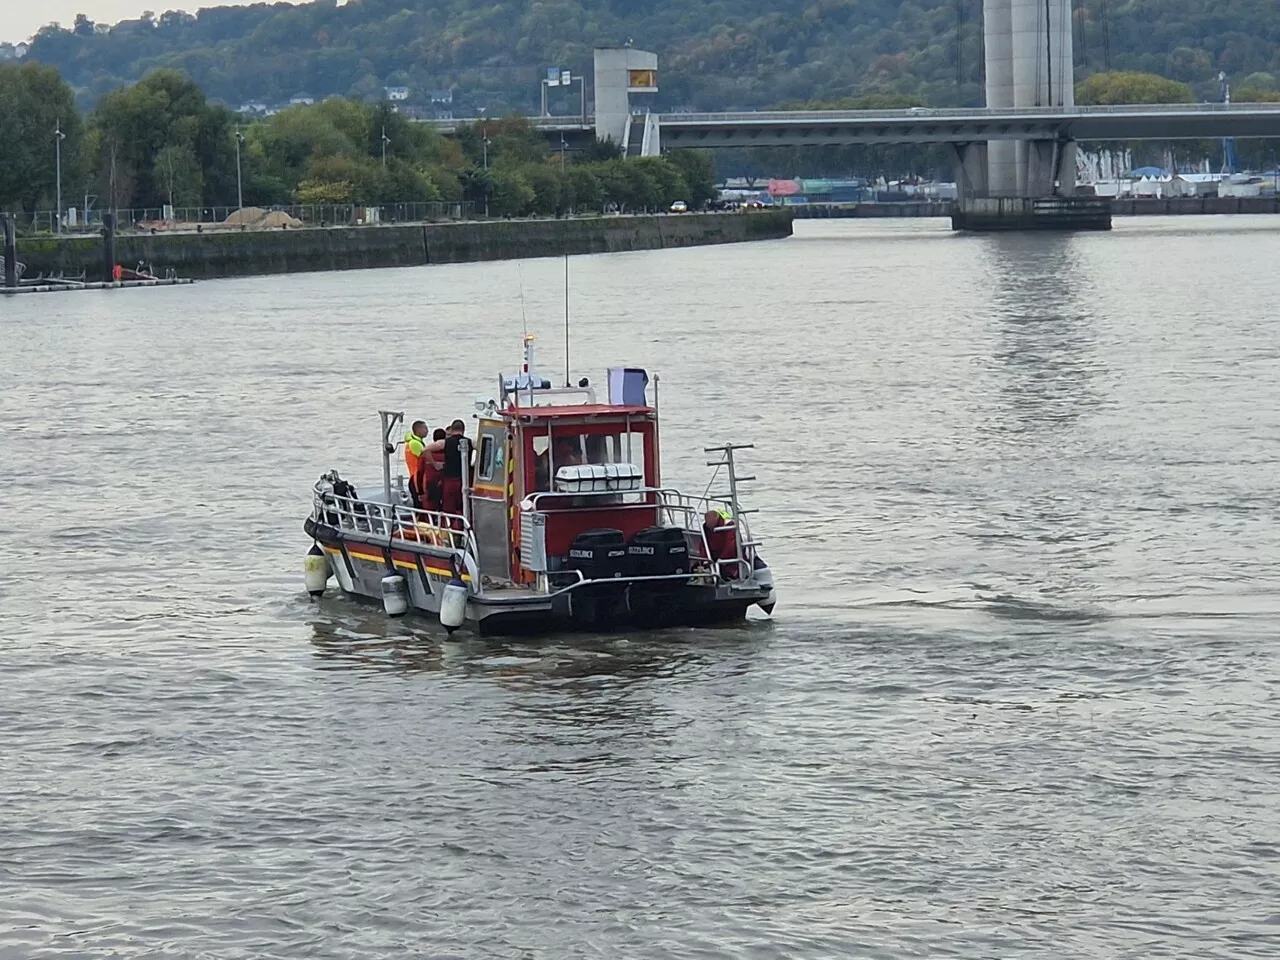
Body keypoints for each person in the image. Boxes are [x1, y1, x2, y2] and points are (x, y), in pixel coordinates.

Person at [432, 419, 471, 518]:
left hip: (450, 479)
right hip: (465, 479)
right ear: (463, 430)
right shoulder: (470, 442)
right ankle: (464, 525)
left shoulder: (445, 443)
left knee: (449, 507)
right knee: (464, 505)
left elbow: (425, 450)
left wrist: (435, 464)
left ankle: (451, 528)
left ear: (451, 430)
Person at [414, 428, 447, 512]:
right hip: (445, 484)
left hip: (430, 484)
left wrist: (420, 492)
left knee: (430, 509)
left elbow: (419, 473)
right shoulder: (449, 454)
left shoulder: (425, 455)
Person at [702, 508, 739, 580]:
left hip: (727, 558)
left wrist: (721, 559)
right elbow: (703, 544)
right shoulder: (705, 527)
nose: (709, 525)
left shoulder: (729, 525)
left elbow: (730, 545)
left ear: (717, 517)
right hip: (713, 556)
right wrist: (704, 559)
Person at [403, 420, 429, 501]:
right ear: (418, 430)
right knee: (420, 503)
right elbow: (426, 458)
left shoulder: (413, 442)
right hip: (417, 479)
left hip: (415, 477)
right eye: (425, 428)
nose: (427, 430)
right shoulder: (415, 443)